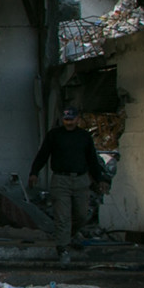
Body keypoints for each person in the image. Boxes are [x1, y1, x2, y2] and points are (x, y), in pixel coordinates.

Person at [28, 106, 109, 252]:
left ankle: (68, 236)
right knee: (62, 216)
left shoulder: (84, 137)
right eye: (66, 120)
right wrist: (34, 172)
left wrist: (100, 179)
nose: (69, 123)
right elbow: (42, 155)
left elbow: (92, 160)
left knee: (82, 215)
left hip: (80, 180)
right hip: (60, 180)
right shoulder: (54, 135)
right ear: (62, 119)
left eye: (72, 120)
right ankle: (63, 248)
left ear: (78, 119)